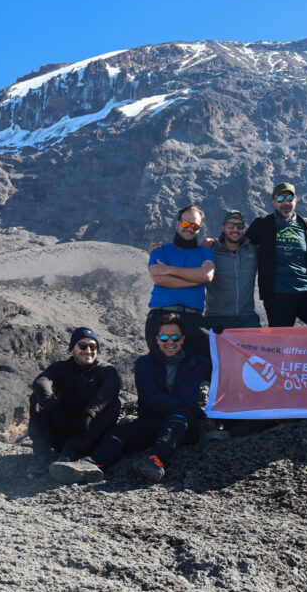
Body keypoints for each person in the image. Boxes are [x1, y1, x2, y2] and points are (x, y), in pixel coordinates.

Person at [48, 314, 212, 484]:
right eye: (164, 337)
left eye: (175, 337)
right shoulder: (144, 364)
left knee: (179, 418)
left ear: (183, 339)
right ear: (157, 339)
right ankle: (90, 464)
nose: (170, 341)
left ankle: (155, 459)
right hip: (151, 421)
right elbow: (151, 399)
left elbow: (223, 375)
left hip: (184, 425)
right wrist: (188, 406)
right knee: (116, 435)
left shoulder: (198, 363)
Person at [27, 327, 122, 476]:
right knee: (37, 399)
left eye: (93, 346)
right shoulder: (61, 367)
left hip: (88, 433)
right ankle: (42, 454)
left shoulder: (106, 370)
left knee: (114, 404)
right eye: (83, 346)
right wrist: (54, 407)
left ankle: (71, 452)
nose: (88, 350)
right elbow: (40, 382)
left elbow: (112, 389)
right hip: (62, 426)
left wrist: (89, 413)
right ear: (72, 350)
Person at [244, 182, 307, 327]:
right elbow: (240, 243)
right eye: (280, 199)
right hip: (278, 293)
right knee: (280, 341)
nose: (285, 202)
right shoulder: (262, 224)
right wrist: (215, 241)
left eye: (289, 197)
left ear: (296, 199)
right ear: (273, 201)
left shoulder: (306, 225)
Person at [145, 204, 216, 359]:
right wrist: (194, 280)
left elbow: (206, 275)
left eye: (195, 226)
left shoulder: (205, 252)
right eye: (185, 224)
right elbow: (159, 278)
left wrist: (170, 269)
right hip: (161, 316)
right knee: (162, 369)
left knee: (206, 365)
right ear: (177, 224)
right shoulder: (159, 251)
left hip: (194, 319)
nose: (189, 228)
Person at [204, 210, 261, 333]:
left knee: (261, 350)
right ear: (223, 228)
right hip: (216, 318)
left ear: (244, 228)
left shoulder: (253, 250)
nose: (235, 229)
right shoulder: (209, 250)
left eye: (239, 226)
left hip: (247, 319)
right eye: (230, 225)